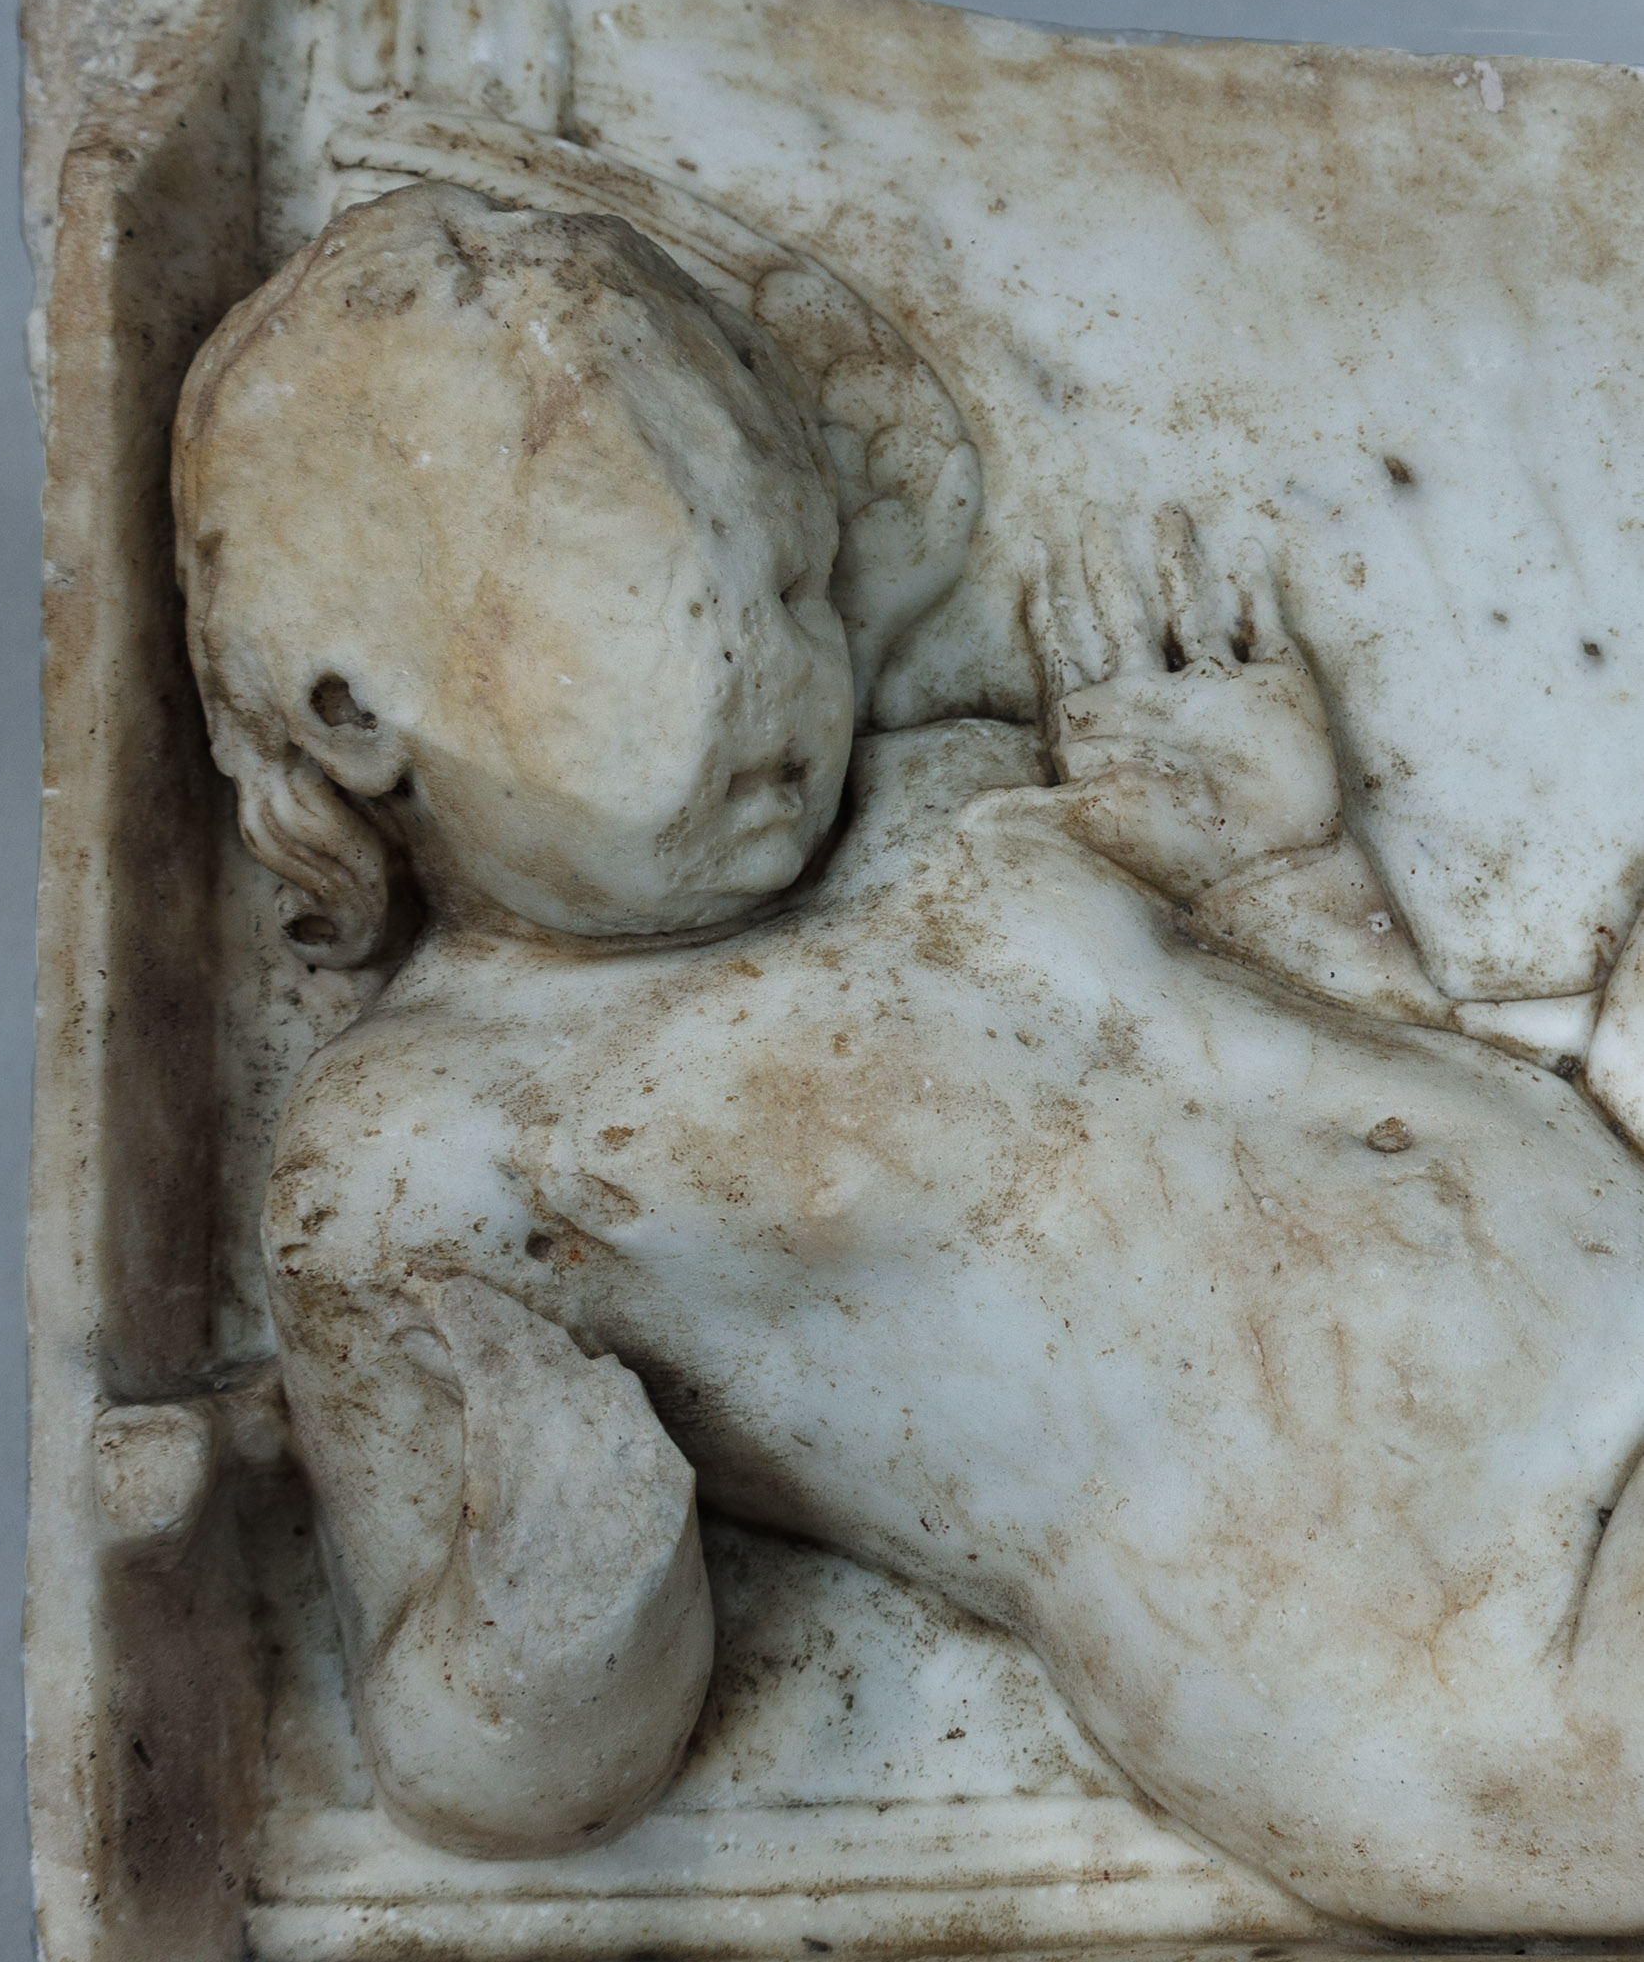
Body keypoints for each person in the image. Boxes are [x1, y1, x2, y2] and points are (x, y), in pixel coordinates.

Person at [176, 180, 1644, 1934]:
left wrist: (1287, 863)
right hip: (1405, 1608)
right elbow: (468, 1776)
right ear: (357, 713)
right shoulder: (422, 1142)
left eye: (796, 588)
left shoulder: (938, 794)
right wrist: (554, 1595)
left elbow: (1291, 1053)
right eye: (665, 619)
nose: (782, 683)